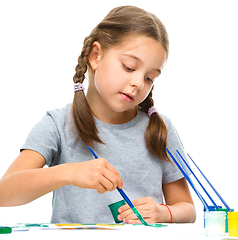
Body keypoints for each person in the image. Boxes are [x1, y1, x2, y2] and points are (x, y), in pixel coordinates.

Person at [0, 6, 196, 224]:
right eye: (129, 67)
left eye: (150, 78)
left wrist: (164, 213)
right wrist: (69, 173)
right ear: (95, 56)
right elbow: (4, 192)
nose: (139, 83)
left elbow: (187, 209)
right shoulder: (58, 125)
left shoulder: (160, 129)